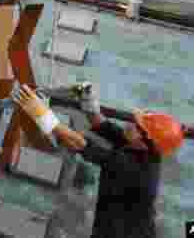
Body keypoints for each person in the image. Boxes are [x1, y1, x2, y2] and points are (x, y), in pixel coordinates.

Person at [14, 83, 184, 238]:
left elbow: (79, 143)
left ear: (145, 141)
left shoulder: (134, 167)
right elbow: (101, 126)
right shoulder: (143, 148)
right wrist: (88, 101)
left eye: (137, 126)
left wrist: (42, 115)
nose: (131, 124)